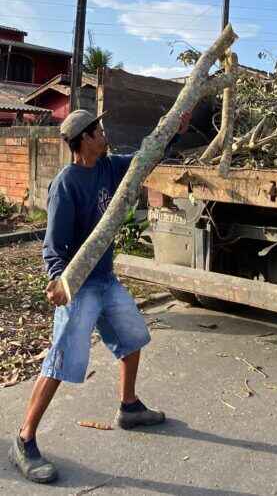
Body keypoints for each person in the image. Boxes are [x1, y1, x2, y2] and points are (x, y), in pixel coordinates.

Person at [8, 109, 191, 483]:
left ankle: (129, 407)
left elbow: (145, 157)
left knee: (133, 336)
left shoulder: (109, 168)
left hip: (106, 278)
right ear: (85, 140)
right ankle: (25, 439)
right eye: (99, 131)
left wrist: (174, 131)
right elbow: (53, 247)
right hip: (81, 286)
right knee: (62, 362)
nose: (105, 135)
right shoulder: (66, 184)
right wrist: (60, 281)